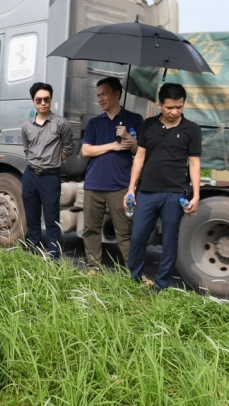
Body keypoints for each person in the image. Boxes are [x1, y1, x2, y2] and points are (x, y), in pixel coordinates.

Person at [125, 82, 201, 291]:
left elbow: (194, 163)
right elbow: (139, 157)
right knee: (138, 237)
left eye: (179, 107)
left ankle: (161, 285)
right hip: (147, 191)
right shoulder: (148, 125)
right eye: (170, 107)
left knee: (169, 241)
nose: (174, 112)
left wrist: (196, 196)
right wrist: (131, 189)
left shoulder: (191, 129)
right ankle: (134, 279)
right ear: (160, 105)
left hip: (174, 193)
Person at [80, 77, 144, 272]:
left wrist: (128, 137)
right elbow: (86, 151)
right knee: (91, 229)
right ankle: (94, 267)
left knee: (125, 232)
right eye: (98, 95)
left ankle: (134, 272)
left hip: (121, 185)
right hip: (94, 184)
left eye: (104, 94)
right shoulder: (94, 123)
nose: (100, 99)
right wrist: (113, 146)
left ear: (117, 94)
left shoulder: (134, 119)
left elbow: (140, 151)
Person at [20, 82, 75, 258]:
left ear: (51, 100)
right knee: (32, 219)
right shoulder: (26, 126)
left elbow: (68, 149)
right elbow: (27, 148)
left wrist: (52, 161)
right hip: (30, 175)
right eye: (39, 100)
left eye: (46, 99)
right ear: (33, 102)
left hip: (50, 177)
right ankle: (34, 254)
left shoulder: (61, 123)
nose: (43, 103)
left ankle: (53, 257)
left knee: (51, 220)